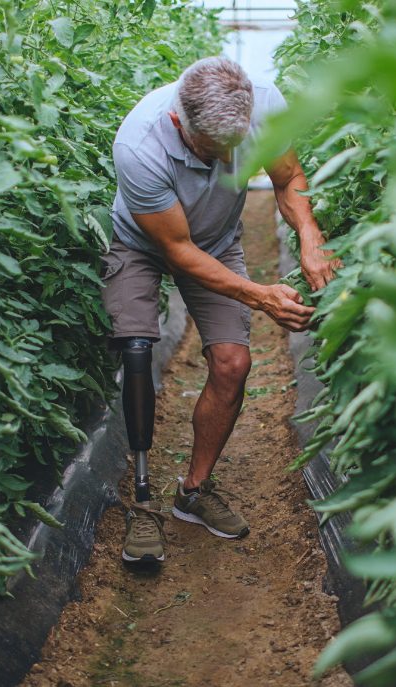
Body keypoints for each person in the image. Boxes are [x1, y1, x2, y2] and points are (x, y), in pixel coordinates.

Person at [102, 56, 339, 563]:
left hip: (215, 240)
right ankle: (143, 504)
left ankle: (193, 490)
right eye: (209, 151)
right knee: (138, 350)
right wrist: (260, 294)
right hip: (143, 243)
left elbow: (287, 175)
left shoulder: (263, 104)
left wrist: (310, 236)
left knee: (233, 363)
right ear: (177, 124)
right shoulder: (139, 146)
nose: (222, 161)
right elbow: (178, 252)